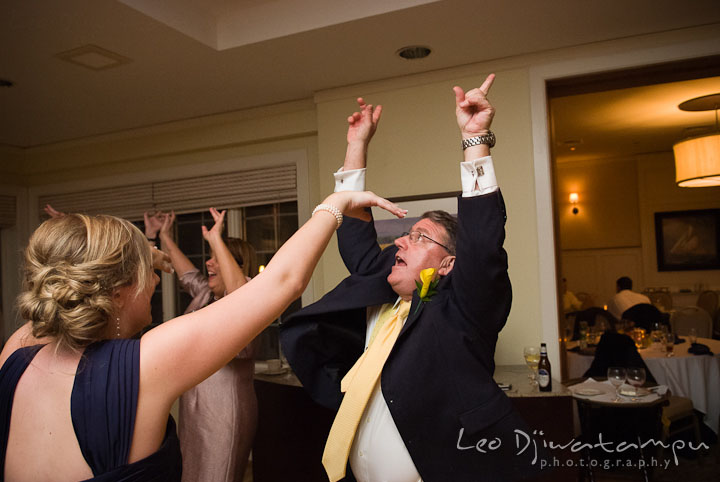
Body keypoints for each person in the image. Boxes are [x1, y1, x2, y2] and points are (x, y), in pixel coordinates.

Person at [0, 191, 405, 481]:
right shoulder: (143, 365)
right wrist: (336, 203)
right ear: (119, 291)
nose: (157, 282)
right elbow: (282, 281)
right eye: (150, 273)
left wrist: (144, 253)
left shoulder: (15, 351)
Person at [279, 75, 542, 482]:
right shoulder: (380, 293)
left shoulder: (464, 310)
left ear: (448, 264)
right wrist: (356, 146)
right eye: (407, 232)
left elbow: (483, 242)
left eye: (421, 237)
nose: (402, 240)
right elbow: (352, 232)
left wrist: (476, 139)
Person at [150, 208, 259, 482]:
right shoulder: (206, 294)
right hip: (195, 405)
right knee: (191, 472)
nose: (209, 263)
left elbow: (240, 301)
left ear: (237, 265)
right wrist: (164, 236)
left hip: (225, 406)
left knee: (216, 474)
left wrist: (216, 239)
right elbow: (186, 272)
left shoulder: (251, 294)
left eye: (215, 258)